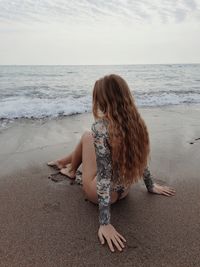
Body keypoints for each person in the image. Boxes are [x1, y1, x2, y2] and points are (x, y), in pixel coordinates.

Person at [48, 74, 175, 252]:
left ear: (102, 100)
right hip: (125, 191)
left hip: (103, 195)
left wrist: (105, 223)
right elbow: (141, 159)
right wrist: (151, 185)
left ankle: (70, 169)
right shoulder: (137, 123)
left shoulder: (100, 128)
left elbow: (104, 177)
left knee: (87, 136)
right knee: (89, 137)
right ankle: (66, 163)